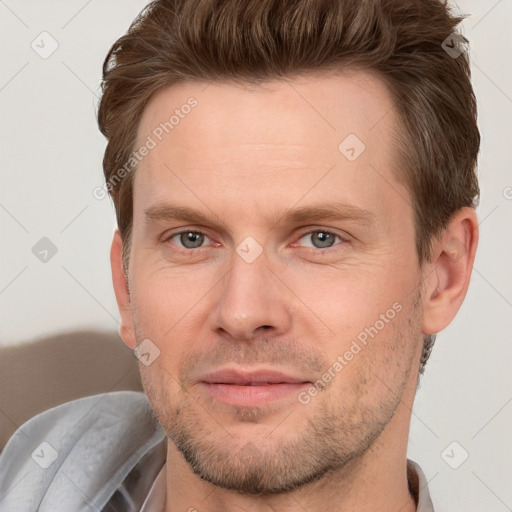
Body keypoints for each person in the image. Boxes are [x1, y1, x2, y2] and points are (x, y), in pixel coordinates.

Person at [0, 0, 480, 510]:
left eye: (321, 238)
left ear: (444, 274)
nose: (243, 313)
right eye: (191, 239)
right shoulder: (39, 471)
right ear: (125, 283)